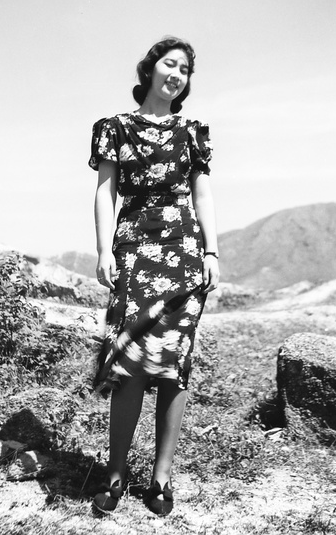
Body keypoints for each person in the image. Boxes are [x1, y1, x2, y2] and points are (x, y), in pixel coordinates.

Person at [88, 36, 219, 516]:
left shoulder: (194, 132)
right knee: (129, 361)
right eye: (170, 64)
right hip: (135, 255)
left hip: (185, 254)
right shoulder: (115, 128)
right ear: (150, 69)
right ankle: (116, 475)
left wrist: (212, 251)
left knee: (173, 365)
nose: (177, 74)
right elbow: (106, 192)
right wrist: (105, 250)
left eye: (185, 69)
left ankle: (161, 481)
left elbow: (202, 196)